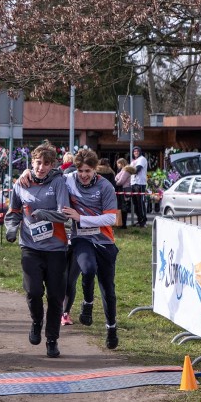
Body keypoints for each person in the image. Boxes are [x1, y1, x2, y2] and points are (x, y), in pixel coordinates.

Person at [3, 143, 70, 358]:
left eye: (46, 164)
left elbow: (64, 214)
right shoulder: (21, 184)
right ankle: (36, 321)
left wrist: (44, 214)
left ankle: (52, 339)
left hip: (56, 248)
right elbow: (13, 212)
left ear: (53, 165)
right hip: (30, 246)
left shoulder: (58, 182)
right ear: (31, 163)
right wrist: (12, 229)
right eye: (38, 163)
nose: (42, 167)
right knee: (33, 291)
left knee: (55, 296)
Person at [61, 149, 120, 349]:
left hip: (104, 241)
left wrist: (81, 218)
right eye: (80, 170)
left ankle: (111, 328)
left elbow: (111, 218)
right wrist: (26, 174)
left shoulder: (105, 187)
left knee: (108, 290)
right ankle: (87, 304)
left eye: (88, 170)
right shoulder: (68, 179)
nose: (84, 175)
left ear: (95, 170)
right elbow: (46, 174)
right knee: (87, 269)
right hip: (81, 238)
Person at [129, 147, 148, 227]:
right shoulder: (133, 161)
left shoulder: (142, 159)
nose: (135, 152)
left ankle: (143, 221)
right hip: (133, 183)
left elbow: (137, 169)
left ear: (140, 152)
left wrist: (128, 170)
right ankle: (139, 220)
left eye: (137, 151)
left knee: (140, 203)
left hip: (140, 183)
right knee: (135, 203)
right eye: (134, 151)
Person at [114, 158, 131, 230]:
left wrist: (115, 182)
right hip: (121, 189)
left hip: (123, 190)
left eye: (118, 163)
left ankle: (123, 224)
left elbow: (121, 181)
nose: (117, 165)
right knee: (121, 207)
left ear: (122, 163)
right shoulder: (122, 170)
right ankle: (121, 223)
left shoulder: (125, 171)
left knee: (123, 207)